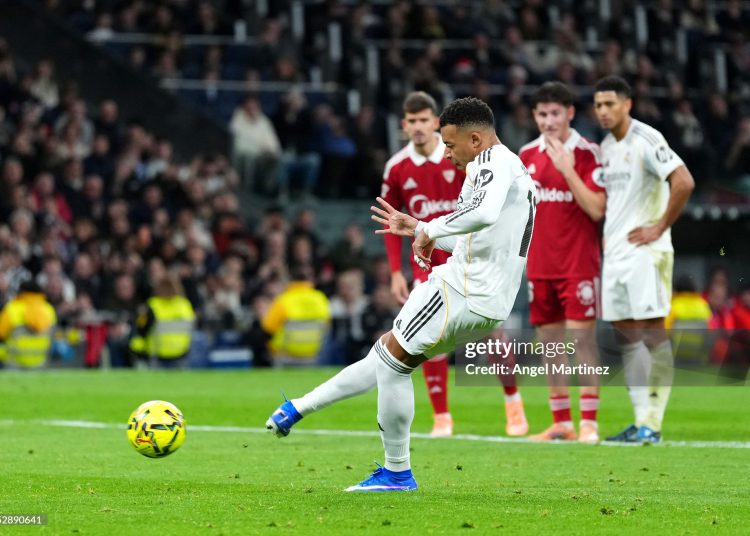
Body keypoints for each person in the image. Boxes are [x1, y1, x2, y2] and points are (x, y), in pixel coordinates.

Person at [266, 97, 536, 492]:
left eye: (450, 143)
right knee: (390, 353)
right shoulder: (513, 169)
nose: (447, 153)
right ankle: (299, 408)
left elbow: (483, 215)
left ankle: (396, 472)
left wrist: (429, 230)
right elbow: (486, 238)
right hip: (488, 299)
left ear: (475, 139)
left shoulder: (491, 162)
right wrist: (423, 229)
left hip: (461, 289)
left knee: (391, 363)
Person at [382, 91, 527, 436]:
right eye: (411, 121)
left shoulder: (465, 154)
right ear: (404, 125)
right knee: (427, 338)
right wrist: (394, 271)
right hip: (428, 254)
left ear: (435, 123)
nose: (418, 127)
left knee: (491, 333)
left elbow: (483, 211)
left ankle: (512, 400)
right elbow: (391, 222)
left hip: (468, 252)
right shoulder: (397, 167)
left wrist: (429, 228)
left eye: (423, 120)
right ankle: (442, 416)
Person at [593, 75, 695, 443]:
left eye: (610, 104)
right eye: (599, 105)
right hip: (616, 253)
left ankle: (653, 422)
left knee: (652, 332)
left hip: (645, 253)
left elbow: (683, 181)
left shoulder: (647, 138)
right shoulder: (605, 147)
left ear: (627, 104)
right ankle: (640, 421)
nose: (603, 111)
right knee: (626, 335)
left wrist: (659, 227)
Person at [519, 82, 604, 443]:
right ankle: (561, 423)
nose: (549, 121)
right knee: (550, 346)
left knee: (582, 342)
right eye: (542, 114)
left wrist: (567, 170)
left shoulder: (588, 153)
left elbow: (597, 209)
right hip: (540, 264)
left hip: (579, 264)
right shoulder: (524, 155)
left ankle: (588, 422)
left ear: (570, 113)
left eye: (555, 113)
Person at [261, 263, 331, 367]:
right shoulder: (321, 299)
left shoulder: (283, 300)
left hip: (284, 355)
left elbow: (267, 328)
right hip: (312, 355)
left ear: (290, 280)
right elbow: (327, 326)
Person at [128, 274, 196, 368]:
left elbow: (142, 329)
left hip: (157, 352)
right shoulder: (185, 304)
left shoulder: (153, 305)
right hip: (180, 351)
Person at [0, 280, 57, 369]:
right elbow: (53, 335)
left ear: (21, 292)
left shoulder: (12, 308)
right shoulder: (48, 310)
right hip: (41, 364)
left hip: (14, 364)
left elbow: (1, 333)